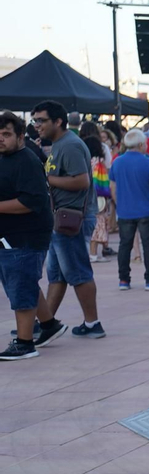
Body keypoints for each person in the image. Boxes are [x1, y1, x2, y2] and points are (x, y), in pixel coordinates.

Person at [31, 100, 103, 340]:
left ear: (58, 121)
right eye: (35, 121)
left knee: (78, 272)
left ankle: (93, 324)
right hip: (62, 218)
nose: (37, 125)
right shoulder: (61, 144)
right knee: (58, 275)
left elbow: (81, 181)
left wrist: (47, 180)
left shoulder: (70, 145)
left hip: (71, 219)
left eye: (41, 120)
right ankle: (47, 323)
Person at [0, 111, 53, 360]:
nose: (1, 139)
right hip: (10, 237)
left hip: (26, 237)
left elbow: (31, 201)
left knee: (21, 287)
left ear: (20, 136)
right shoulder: (6, 159)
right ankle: (50, 325)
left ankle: (24, 343)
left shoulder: (27, 161)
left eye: (6, 134)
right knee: (22, 284)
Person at [107, 128, 149, 290]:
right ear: (140, 145)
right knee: (148, 245)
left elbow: (113, 188)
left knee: (124, 245)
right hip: (146, 210)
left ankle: (124, 280)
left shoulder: (117, 162)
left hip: (125, 210)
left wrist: (119, 204)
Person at [85, 126, 116, 261]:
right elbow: (104, 181)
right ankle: (94, 253)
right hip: (98, 197)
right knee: (98, 224)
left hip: (85, 196)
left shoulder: (85, 161)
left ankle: (90, 253)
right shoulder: (99, 162)